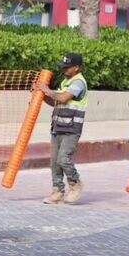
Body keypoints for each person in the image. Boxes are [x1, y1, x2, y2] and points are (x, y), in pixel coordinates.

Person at [40, 53, 88, 205]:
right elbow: (56, 102)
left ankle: (75, 184)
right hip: (58, 128)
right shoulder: (65, 82)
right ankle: (57, 191)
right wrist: (41, 95)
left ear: (77, 67)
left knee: (63, 159)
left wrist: (46, 89)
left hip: (71, 129)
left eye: (68, 68)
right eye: (64, 67)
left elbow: (63, 98)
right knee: (54, 162)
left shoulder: (78, 82)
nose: (65, 70)